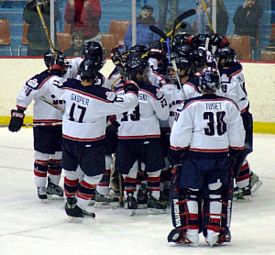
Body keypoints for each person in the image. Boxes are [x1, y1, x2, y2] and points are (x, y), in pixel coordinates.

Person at [49, 58, 139, 218]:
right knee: (94, 176)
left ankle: (69, 200)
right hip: (89, 141)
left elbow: (52, 83)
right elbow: (130, 102)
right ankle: (79, 205)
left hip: (68, 138)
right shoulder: (102, 95)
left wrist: (56, 69)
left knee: (70, 172)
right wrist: (130, 84)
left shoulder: (68, 85)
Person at [168, 67, 246, 247]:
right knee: (216, 194)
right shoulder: (229, 105)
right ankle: (213, 234)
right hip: (220, 158)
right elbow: (237, 137)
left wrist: (176, 153)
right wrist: (234, 154)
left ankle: (191, 233)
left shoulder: (191, 105)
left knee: (190, 193)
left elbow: (179, 136)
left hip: (195, 158)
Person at [8, 50, 67, 200]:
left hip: (63, 124)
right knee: (42, 156)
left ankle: (53, 185)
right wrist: (19, 112)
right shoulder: (41, 79)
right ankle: (41, 187)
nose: (61, 65)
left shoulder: (67, 78)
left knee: (58, 157)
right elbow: (25, 93)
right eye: (59, 61)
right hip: (44, 124)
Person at [114, 54, 169, 211]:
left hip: (125, 136)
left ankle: (130, 196)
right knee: (154, 169)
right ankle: (154, 197)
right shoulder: (153, 91)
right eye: (143, 72)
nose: (145, 74)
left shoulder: (118, 91)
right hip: (149, 136)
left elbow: (114, 115)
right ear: (136, 73)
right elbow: (164, 116)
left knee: (129, 168)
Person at [215, 46, 262, 199]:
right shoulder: (234, 69)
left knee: (237, 152)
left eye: (219, 58)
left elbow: (228, 95)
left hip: (238, 117)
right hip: (240, 115)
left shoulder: (228, 74)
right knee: (235, 151)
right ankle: (247, 179)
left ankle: (247, 183)